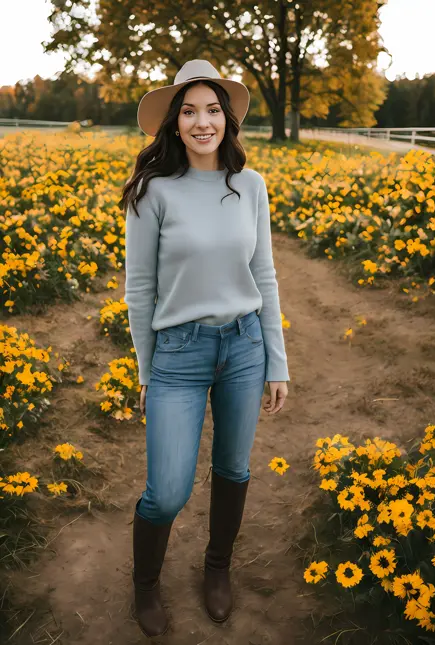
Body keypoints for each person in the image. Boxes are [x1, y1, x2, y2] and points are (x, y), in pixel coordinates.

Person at [120, 59, 290, 639]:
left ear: (227, 118)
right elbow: (138, 290)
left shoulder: (251, 186)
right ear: (173, 123)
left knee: (233, 469)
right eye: (189, 111)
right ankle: (145, 583)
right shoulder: (153, 191)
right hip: (178, 355)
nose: (201, 122)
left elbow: (263, 273)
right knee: (166, 492)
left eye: (212, 110)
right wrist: (146, 369)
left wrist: (277, 360)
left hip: (244, 347)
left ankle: (217, 568)